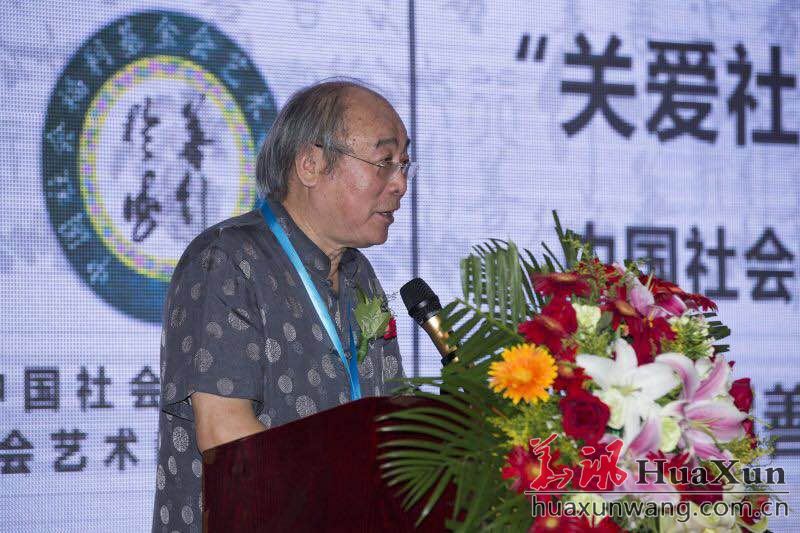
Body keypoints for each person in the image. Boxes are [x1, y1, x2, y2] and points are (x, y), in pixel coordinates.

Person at [151, 79, 414, 532]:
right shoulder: (227, 260)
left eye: (405, 165)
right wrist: (344, 505)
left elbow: (391, 424)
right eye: (384, 162)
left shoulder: (360, 276)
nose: (401, 184)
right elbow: (225, 435)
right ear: (311, 164)